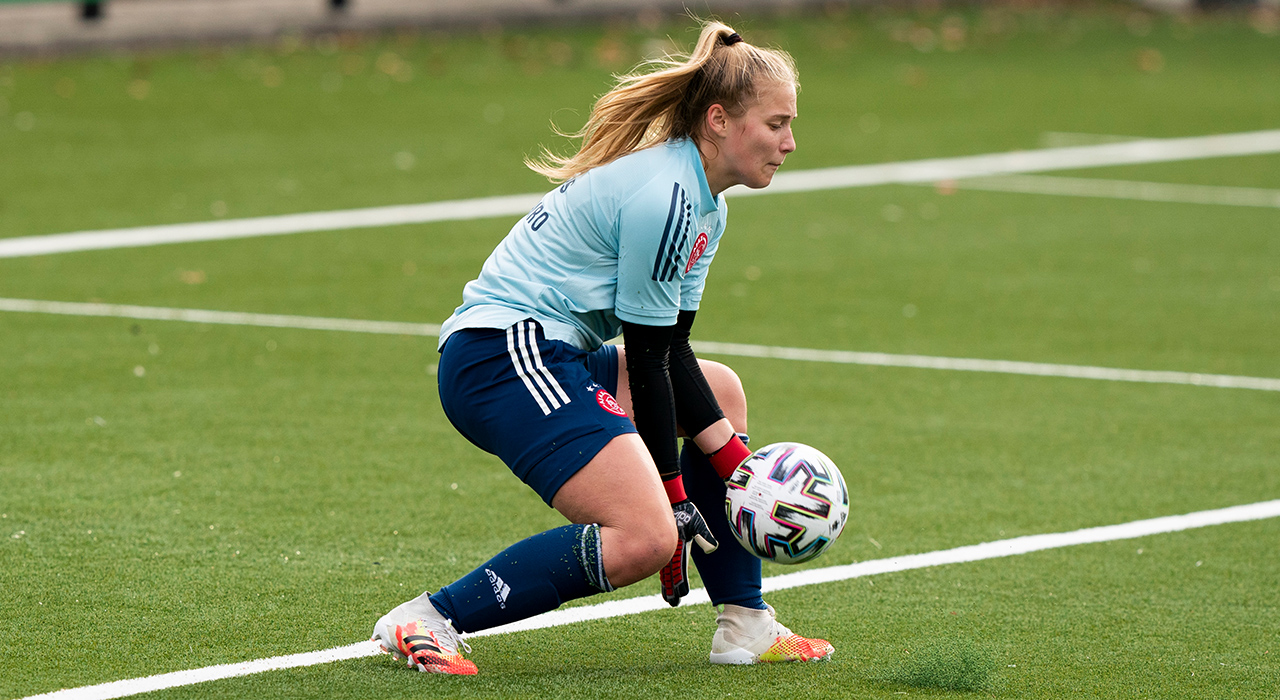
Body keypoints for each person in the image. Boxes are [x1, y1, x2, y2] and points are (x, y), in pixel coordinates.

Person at [371, 20, 831, 675]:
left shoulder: (707, 204)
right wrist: (676, 497)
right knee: (645, 537)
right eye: (777, 123)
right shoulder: (666, 197)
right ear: (720, 120)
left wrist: (737, 466)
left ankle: (745, 624)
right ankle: (428, 617)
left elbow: (671, 349)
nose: (790, 142)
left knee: (721, 393)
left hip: (546, 352)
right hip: (500, 356)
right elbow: (645, 360)